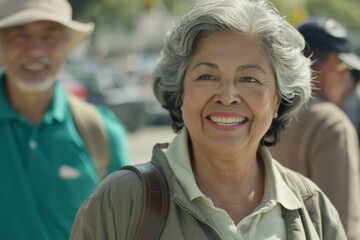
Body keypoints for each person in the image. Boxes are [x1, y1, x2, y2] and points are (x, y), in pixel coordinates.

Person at [70, 0, 346, 239]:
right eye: (207, 76)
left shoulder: (313, 209)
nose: (227, 96)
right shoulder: (120, 202)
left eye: (249, 79)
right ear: (180, 92)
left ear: (277, 100)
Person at [0, 0, 130, 239]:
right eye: (20, 36)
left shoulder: (101, 132)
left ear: (66, 46)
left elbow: (125, 229)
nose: (36, 50)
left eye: (49, 36)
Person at [270, 16, 360, 239]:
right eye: (341, 64)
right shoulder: (331, 123)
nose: (346, 75)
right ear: (312, 64)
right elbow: (342, 226)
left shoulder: (266, 110)